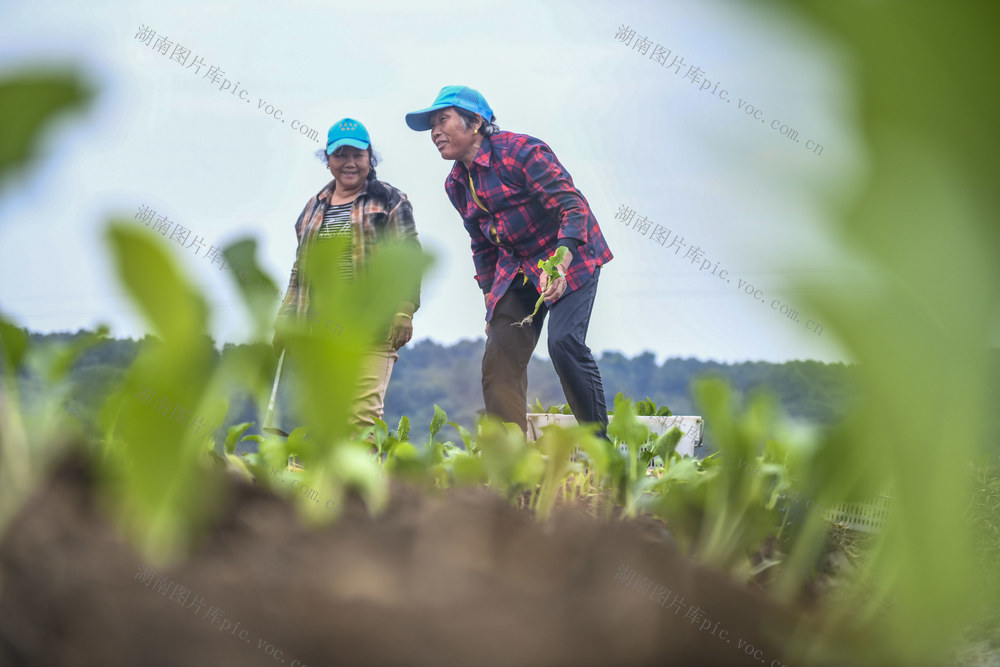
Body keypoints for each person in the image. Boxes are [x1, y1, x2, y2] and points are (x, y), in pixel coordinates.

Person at [405, 86, 613, 438]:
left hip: (569, 252)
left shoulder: (520, 153)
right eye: (431, 126)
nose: (435, 132)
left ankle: (600, 446)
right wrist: (491, 301)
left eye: (443, 120)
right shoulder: (457, 183)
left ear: (476, 123)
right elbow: (481, 245)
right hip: (517, 268)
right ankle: (513, 462)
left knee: (563, 344)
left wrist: (559, 264)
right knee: (499, 358)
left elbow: (572, 207)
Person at [273, 118, 421, 434]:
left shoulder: (390, 200)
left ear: (370, 158)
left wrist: (403, 311)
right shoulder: (313, 208)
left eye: (357, 155)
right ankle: (327, 483)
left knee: (363, 418)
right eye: (341, 155)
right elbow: (301, 270)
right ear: (328, 160)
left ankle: (362, 483)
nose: (349, 163)